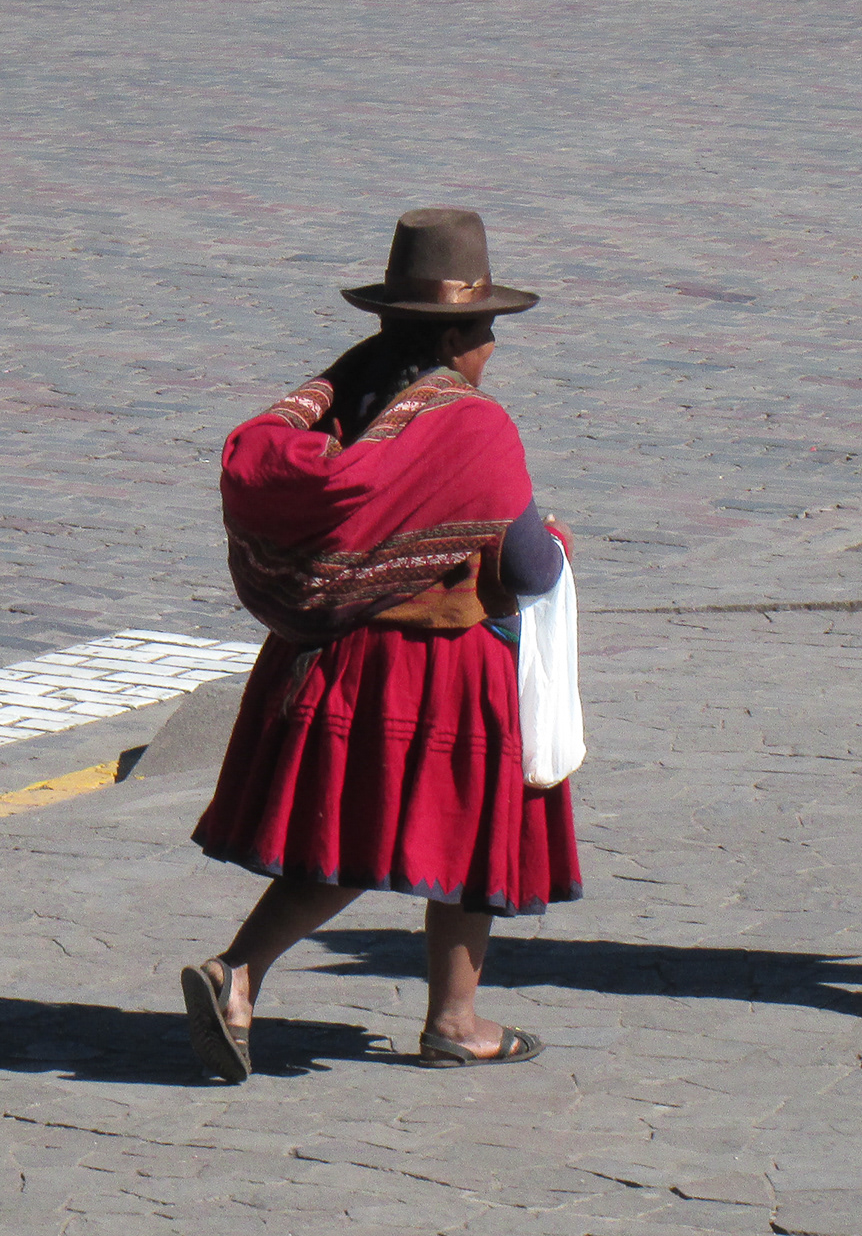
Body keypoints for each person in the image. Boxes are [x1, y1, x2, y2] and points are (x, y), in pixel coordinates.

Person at [182, 206, 581, 1081]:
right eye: (486, 332)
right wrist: (553, 546)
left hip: (324, 655)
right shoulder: (470, 427)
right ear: (464, 335)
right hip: (434, 666)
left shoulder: (337, 395)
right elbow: (524, 563)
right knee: (465, 833)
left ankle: (261, 976)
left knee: (348, 841)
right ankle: (439, 1015)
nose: (489, 352)